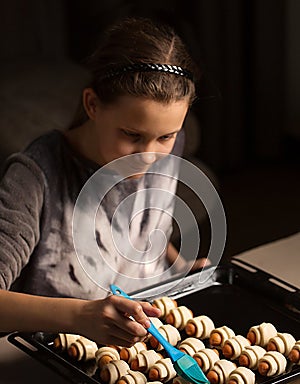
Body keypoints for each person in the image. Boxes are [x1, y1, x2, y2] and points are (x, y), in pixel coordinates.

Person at [0, 17, 207, 346]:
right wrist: (81, 316)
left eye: (166, 136)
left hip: (148, 338)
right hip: (59, 355)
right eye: (131, 135)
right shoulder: (34, 177)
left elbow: (140, 232)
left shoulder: (167, 148)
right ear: (92, 104)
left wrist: (180, 267)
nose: (149, 156)